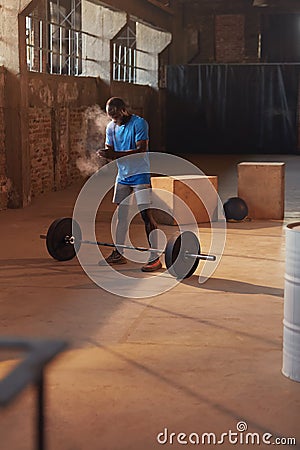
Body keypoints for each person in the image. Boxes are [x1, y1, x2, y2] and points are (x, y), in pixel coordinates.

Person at [97, 97, 162, 272]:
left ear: (124, 110)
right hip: (123, 176)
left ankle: (155, 258)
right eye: (111, 116)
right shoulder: (111, 127)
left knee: (145, 216)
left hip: (140, 175)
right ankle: (118, 253)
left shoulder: (139, 124)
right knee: (122, 216)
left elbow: (141, 151)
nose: (114, 119)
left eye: (116, 115)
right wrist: (105, 154)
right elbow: (110, 150)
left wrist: (114, 154)